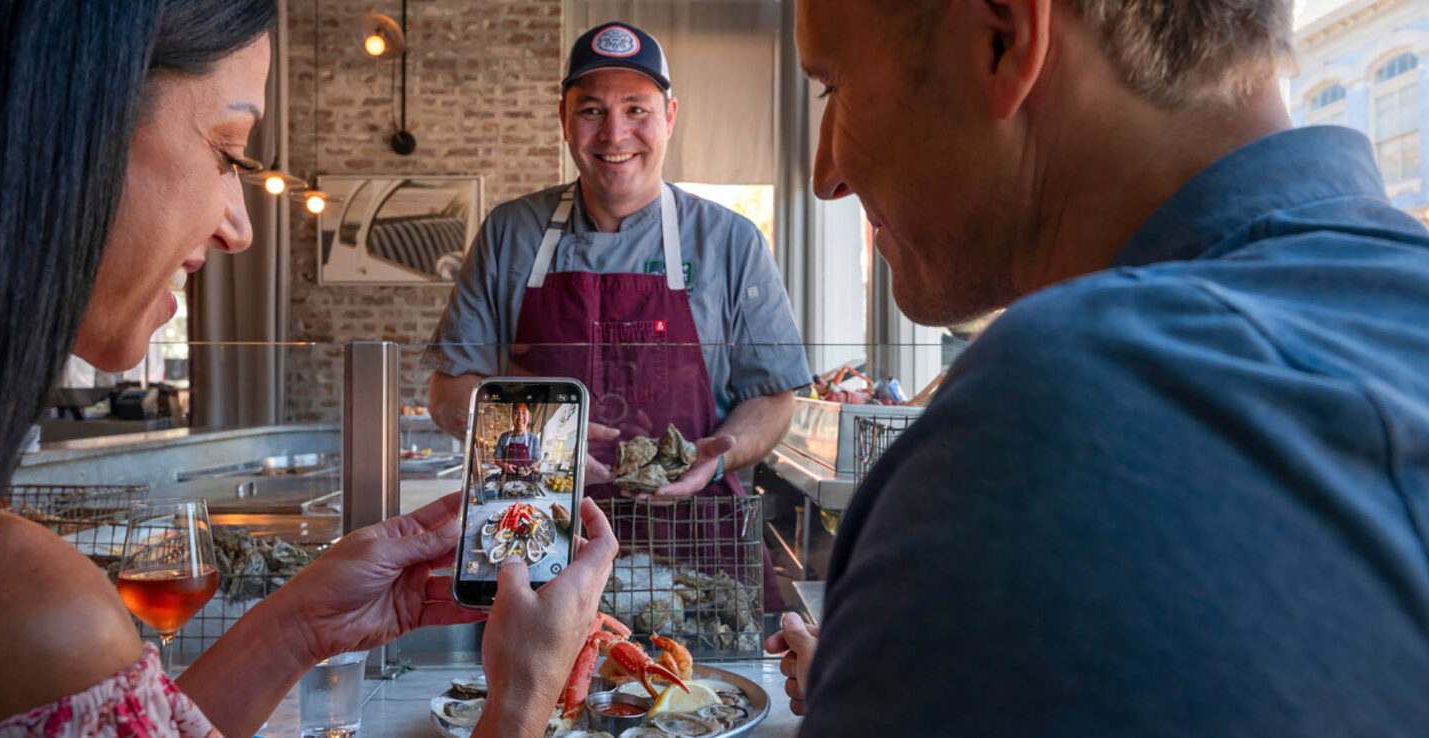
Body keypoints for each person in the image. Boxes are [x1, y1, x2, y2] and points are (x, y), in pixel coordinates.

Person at [496, 0, 1429, 734]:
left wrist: (518, 714)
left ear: (1004, 39)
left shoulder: (1045, 429)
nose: (825, 173)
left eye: (833, 86)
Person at [0, 3, 616, 735]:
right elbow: (451, 385)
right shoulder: (38, 609)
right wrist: (523, 696)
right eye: (229, 153)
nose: (239, 226)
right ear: (68, 131)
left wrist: (301, 624)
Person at [425, 22, 810, 504]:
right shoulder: (509, 234)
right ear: (563, 119)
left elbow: (773, 397)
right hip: (537, 526)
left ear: (669, 117)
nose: (614, 133)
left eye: (636, 110)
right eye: (591, 110)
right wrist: (541, 448)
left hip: (692, 532)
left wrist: (716, 458)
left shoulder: (730, 242)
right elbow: (449, 391)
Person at [493, 403, 542, 476]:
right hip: (506, 480)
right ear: (512, 416)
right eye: (516, 413)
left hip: (526, 482)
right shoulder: (504, 437)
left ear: (529, 416)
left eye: (524, 413)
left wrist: (532, 466)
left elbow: (537, 460)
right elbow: (496, 459)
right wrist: (505, 466)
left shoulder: (533, 439)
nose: (520, 418)